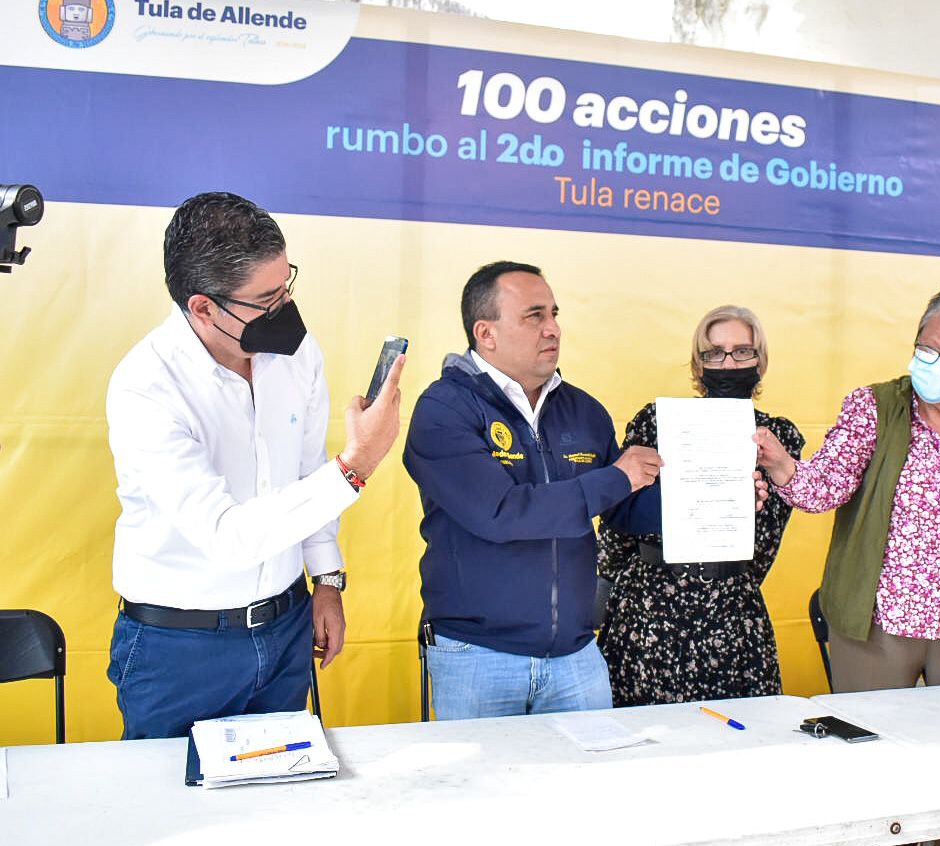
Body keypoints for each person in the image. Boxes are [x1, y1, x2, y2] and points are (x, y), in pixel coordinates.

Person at [105, 192, 405, 740]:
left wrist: (327, 580)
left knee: (283, 790)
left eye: (286, 285)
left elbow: (307, 470)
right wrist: (356, 466)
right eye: (267, 299)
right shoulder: (146, 387)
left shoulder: (297, 353)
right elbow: (226, 536)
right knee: (168, 792)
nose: (285, 309)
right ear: (203, 307)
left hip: (287, 626)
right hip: (182, 648)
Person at [754, 285, 940, 693]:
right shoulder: (872, 406)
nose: (937, 366)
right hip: (876, 626)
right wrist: (781, 465)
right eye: (928, 350)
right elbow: (825, 489)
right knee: (868, 731)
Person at [402, 260, 664, 720]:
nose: (553, 328)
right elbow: (500, 513)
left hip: (576, 655)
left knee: (591, 770)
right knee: (481, 772)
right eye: (534, 316)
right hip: (477, 656)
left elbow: (623, 510)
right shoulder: (443, 409)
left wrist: (714, 494)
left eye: (554, 314)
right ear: (486, 333)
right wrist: (617, 477)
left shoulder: (584, 411)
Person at [597, 305, 804, 705]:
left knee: (742, 730)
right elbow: (618, 518)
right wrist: (609, 583)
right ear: (698, 363)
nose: (728, 363)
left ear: (760, 360)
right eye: (714, 353)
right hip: (648, 605)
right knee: (644, 730)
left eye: (741, 351)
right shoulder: (656, 421)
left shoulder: (776, 437)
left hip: (731, 610)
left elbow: (767, 542)